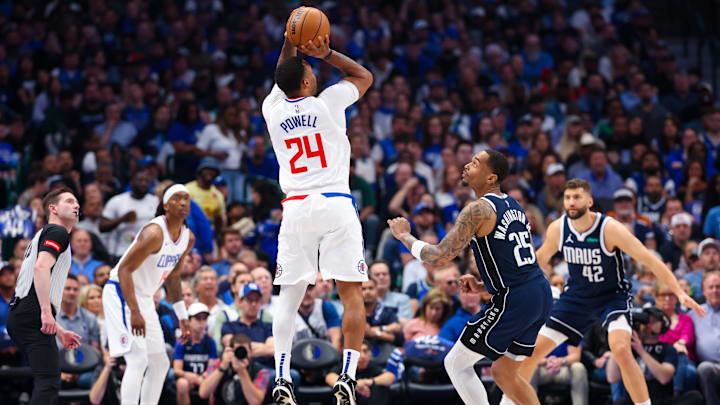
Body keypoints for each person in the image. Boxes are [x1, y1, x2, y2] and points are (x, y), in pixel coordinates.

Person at [507, 179, 705, 405]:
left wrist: (679, 292)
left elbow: (648, 258)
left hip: (611, 297)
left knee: (621, 349)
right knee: (532, 353)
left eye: (577, 197)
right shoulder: (558, 229)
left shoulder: (609, 229)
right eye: (567, 197)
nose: (571, 202)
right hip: (577, 298)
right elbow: (538, 261)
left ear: (589, 201)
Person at [261, 23, 373, 405]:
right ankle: (347, 376)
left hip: (296, 208)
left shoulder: (271, 109)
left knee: (288, 299)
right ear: (308, 83)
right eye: (311, 71)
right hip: (335, 202)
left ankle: (280, 379)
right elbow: (363, 76)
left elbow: (283, 73)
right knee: (351, 295)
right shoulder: (328, 101)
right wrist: (327, 54)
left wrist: (290, 40)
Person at [388, 149, 553, 405]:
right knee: (504, 373)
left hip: (516, 299)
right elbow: (516, 260)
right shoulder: (515, 205)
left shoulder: (477, 209)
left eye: (475, 163)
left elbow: (440, 256)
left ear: (490, 178)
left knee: (455, 364)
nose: (466, 165)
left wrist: (405, 236)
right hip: (538, 293)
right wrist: (483, 285)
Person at [101, 184, 195, 405]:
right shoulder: (154, 232)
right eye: (177, 198)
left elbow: (173, 278)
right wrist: (134, 311)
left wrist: (182, 315)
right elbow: (124, 269)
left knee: (160, 362)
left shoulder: (187, 238)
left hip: (142, 297)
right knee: (137, 358)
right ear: (165, 205)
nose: (183, 203)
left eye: (186, 199)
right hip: (120, 292)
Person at [6, 188, 82, 405]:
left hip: (21, 313)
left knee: (45, 379)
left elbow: (34, 278)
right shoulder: (57, 232)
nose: (76, 205)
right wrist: (47, 313)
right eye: (69, 201)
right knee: (49, 381)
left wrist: (58, 330)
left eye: (77, 202)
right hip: (32, 313)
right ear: (53, 208)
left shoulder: (43, 234)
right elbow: (40, 269)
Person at [606, 307, 704, 405]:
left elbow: (664, 378)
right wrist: (619, 345)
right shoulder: (628, 347)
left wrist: (642, 352)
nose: (648, 325)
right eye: (646, 321)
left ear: (663, 325)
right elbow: (612, 377)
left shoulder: (668, 348)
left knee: (695, 397)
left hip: (662, 400)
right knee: (620, 402)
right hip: (635, 401)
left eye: (653, 321)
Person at [99, 168, 159, 259]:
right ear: (131, 182)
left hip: (147, 253)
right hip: (122, 252)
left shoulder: (155, 201)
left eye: (147, 181)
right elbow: (102, 227)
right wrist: (122, 219)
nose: (144, 183)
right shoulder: (117, 201)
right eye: (140, 180)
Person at [198, 333, 271, 405]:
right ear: (231, 351)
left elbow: (255, 402)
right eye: (238, 351)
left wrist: (242, 371)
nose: (241, 354)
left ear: (251, 352)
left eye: (244, 351)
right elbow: (203, 393)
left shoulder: (261, 371)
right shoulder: (218, 364)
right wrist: (222, 367)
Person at [325, 340, 397, 405]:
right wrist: (355, 385)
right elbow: (329, 377)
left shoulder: (373, 366)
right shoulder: (344, 366)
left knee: (380, 387)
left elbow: (390, 377)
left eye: (365, 351)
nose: (362, 356)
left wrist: (367, 382)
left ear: (370, 354)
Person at [174, 302, 217, 405]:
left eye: (204, 319)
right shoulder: (181, 342)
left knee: (213, 382)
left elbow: (212, 367)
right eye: (198, 319)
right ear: (189, 321)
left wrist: (202, 377)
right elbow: (177, 369)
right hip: (188, 379)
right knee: (182, 384)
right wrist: (189, 376)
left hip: (204, 378)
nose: (201, 322)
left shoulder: (210, 342)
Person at [690, 271, 720, 404]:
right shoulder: (694, 313)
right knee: (704, 368)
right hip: (710, 366)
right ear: (703, 291)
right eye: (711, 287)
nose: (715, 290)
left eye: (718, 287)